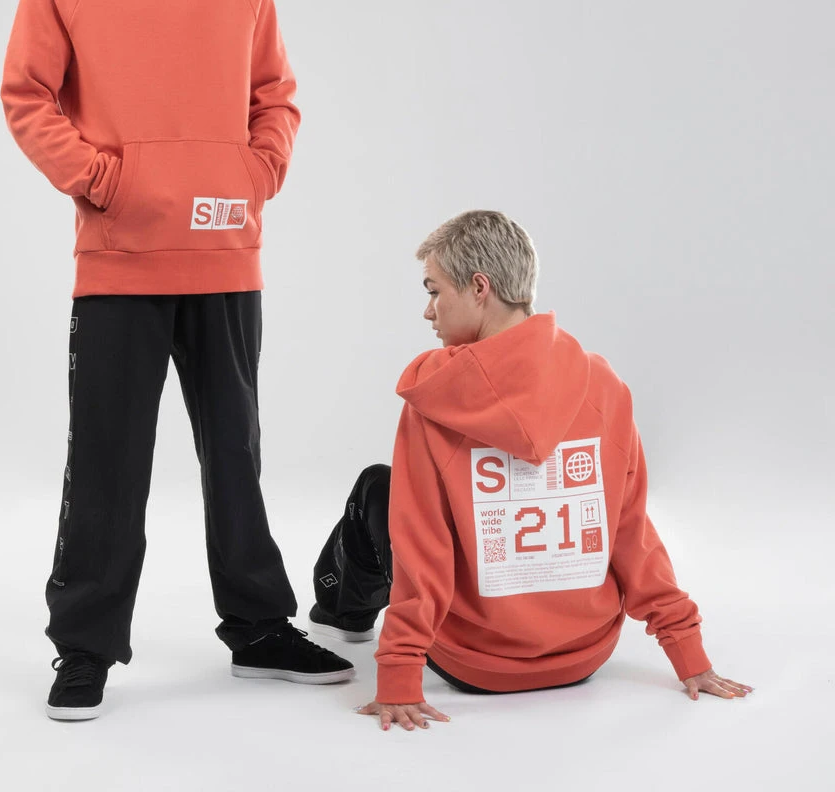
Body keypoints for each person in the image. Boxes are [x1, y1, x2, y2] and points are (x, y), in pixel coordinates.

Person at [1, 0, 352, 721]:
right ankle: (85, 648)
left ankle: (260, 627)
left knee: (235, 452)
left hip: (227, 252)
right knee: (107, 463)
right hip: (120, 261)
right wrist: (106, 182)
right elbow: (27, 98)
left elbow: (275, 95)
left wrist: (256, 174)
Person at [309, 210, 752, 731]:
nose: (429, 311)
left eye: (434, 291)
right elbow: (629, 531)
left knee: (378, 487)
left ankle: (341, 615)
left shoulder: (434, 398)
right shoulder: (604, 384)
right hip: (583, 655)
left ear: (480, 288)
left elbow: (421, 546)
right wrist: (689, 653)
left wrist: (399, 677)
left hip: (475, 664)